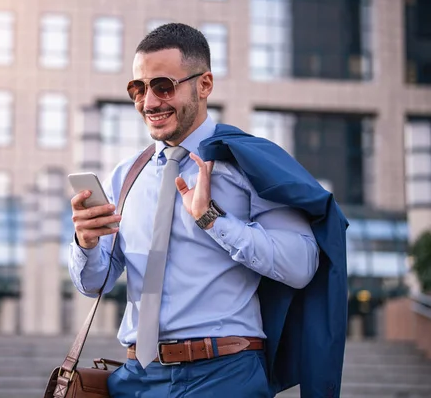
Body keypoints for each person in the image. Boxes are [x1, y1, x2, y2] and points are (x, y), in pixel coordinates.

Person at [68, 23, 347, 398]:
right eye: (139, 88)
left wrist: (212, 219)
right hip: (136, 378)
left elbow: (301, 265)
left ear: (204, 85)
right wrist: (85, 243)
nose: (149, 102)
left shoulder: (248, 164)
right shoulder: (126, 175)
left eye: (163, 86)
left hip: (222, 375)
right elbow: (94, 284)